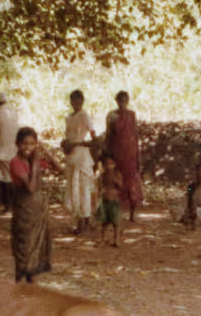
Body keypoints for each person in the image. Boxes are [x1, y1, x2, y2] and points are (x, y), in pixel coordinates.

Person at [9, 126, 57, 282]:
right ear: (17, 144)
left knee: (36, 245)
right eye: (24, 144)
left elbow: (58, 168)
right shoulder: (16, 162)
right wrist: (35, 166)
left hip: (37, 209)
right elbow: (30, 188)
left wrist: (44, 150)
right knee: (24, 244)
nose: (28, 148)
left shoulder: (35, 160)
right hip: (25, 210)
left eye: (32, 144)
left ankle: (30, 278)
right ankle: (20, 279)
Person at [103, 90, 145, 225]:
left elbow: (135, 135)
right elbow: (109, 135)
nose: (122, 103)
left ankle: (131, 213)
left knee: (131, 182)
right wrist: (107, 153)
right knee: (117, 181)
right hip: (119, 153)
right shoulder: (113, 115)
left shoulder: (130, 115)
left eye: (124, 100)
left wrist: (137, 155)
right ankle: (117, 213)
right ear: (117, 101)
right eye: (120, 100)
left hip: (129, 153)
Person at [61, 90, 100, 235]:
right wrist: (66, 144)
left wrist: (80, 144)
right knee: (73, 189)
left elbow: (94, 137)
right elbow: (68, 136)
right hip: (71, 157)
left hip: (82, 156)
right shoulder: (69, 117)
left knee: (83, 189)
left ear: (82, 101)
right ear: (71, 102)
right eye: (74, 101)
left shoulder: (84, 115)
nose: (76, 103)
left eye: (79, 101)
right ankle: (78, 220)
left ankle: (85, 220)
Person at [96, 156, 123, 247]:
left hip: (114, 201)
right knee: (104, 222)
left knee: (116, 222)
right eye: (107, 164)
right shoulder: (103, 175)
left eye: (111, 164)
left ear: (114, 165)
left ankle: (117, 240)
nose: (109, 166)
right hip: (104, 200)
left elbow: (121, 185)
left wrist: (115, 180)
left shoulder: (117, 174)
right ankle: (104, 239)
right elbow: (99, 186)